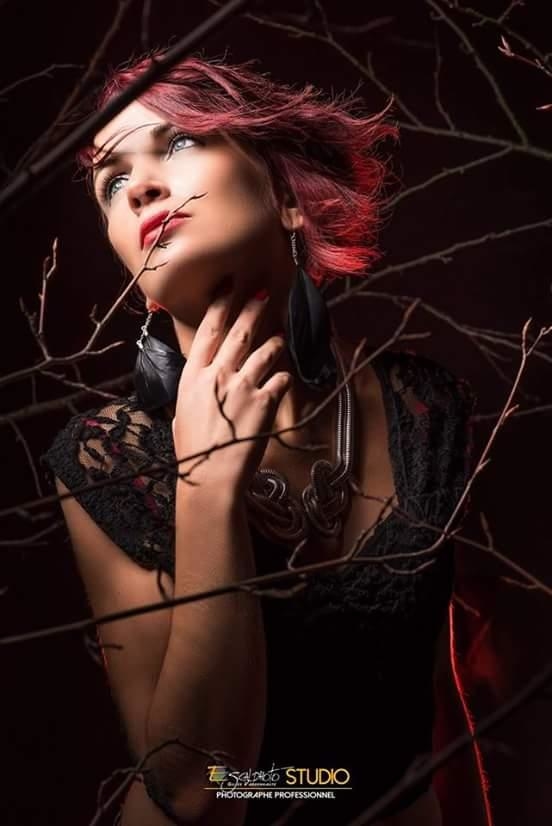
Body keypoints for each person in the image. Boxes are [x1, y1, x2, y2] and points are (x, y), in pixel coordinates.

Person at [42, 51, 486, 826]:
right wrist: (206, 487)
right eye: (112, 182)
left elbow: (456, 696)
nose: (138, 186)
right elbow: (196, 787)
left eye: (180, 142)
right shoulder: (108, 459)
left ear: (285, 197)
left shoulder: (426, 410)